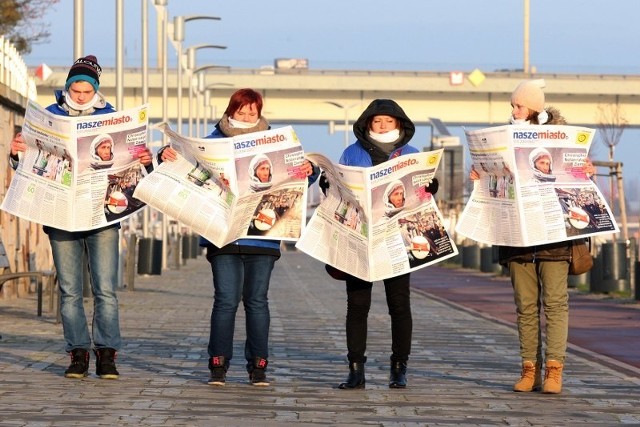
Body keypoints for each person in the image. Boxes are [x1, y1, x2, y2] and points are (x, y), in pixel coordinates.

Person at [157, 88, 319, 387]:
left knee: (257, 301)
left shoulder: (277, 143)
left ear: (259, 114)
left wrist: (312, 170)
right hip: (223, 236)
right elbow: (183, 167)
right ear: (230, 111)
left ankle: (258, 365)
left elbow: (301, 176)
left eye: (251, 112)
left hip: (263, 237)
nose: (245, 117)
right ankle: (218, 364)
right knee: (226, 300)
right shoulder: (211, 142)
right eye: (240, 111)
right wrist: (165, 154)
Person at [9, 55, 153, 380]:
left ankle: (106, 353)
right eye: (76, 89)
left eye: (88, 91)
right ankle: (77, 353)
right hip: (61, 217)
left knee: (105, 289)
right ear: (67, 87)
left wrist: (144, 159)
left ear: (96, 90)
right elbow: (26, 170)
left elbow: (133, 168)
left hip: (102, 217)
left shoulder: (113, 118)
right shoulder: (50, 116)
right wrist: (17, 152)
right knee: (70, 290)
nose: (81, 96)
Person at [469, 80, 595, 394]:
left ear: (535, 108)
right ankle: (529, 369)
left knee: (555, 303)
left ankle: (554, 370)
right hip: (517, 240)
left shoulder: (561, 139)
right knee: (525, 306)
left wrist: (586, 171)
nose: (514, 110)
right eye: (512, 105)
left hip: (555, 240)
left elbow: (577, 184)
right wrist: (481, 176)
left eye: (519, 105)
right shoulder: (503, 138)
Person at [319, 99, 438, 389]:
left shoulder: (411, 154)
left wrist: (431, 187)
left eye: (389, 121)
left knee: (399, 305)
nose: (383, 126)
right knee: (357, 306)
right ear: (368, 123)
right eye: (377, 121)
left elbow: (423, 192)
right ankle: (355, 369)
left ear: (399, 123)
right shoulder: (351, 152)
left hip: (397, 239)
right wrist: (327, 181)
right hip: (359, 237)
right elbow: (335, 189)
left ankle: (399, 367)